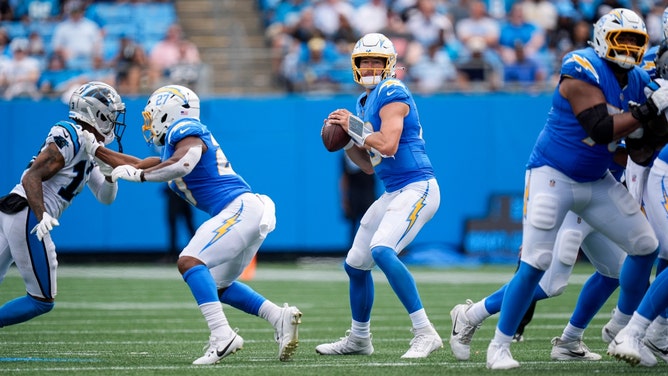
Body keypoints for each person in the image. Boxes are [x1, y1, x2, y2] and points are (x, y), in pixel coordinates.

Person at [478, 8, 666, 369]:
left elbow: (641, 151)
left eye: (635, 41)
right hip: (553, 175)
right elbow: (599, 129)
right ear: (602, 39)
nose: (627, 47)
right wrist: (646, 112)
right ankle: (498, 347)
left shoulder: (641, 79)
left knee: (645, 246)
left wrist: (656, 122)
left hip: (596, 179)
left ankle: (625, 330)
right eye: (620, 39)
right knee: (536, 263)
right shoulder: (580, 66)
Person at [85, 84, 302, 365]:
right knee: (218, 284)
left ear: (168, 111)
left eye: (153, 115)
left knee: (189, 261)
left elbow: (182, 165)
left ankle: (222, 335)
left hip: (239, 207)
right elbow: (140, 162)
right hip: (246, 210)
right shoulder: (174, 144)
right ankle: (278, 317)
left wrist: (139, 177)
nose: (149, 123)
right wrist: (95, 149)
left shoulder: (184, 127)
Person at [315, 32, 443, 359]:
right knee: (356, 264)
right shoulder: (362, 102)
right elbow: (370, 165)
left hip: (418, 186)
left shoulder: (393, 90)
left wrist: (354, 127)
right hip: (393, 190)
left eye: (376, 61)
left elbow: (388, 144)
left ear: (389, 65)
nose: (370, 66)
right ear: (356, 65)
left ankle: (425, 332)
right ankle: (359, 339)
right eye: (365, 61)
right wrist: (344, 140)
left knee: (382, 250)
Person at [0, 81, 125, 328]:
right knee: (41, 300)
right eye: (111, 113)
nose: (114, 119)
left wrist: (110, 174)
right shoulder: (69, 132)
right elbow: (31, 177)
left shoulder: (89, 145)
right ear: (97, 113)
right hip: (28, 211)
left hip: (14, 211)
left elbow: (105, 196)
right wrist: (41, 214)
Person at [340, 152, 376, 245]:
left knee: (370, 223)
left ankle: (371, 249)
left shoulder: (370, 151)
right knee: (353, 224)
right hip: (353, 194)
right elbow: (344, 177)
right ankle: (352, 252)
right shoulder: (346, 154)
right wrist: (344, 199)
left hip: (368, 192)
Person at [164, 185, 196, 261]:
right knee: (182, 228)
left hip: (180, 199)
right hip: (182, 198)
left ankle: (172, 255)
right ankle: (172, 255)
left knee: (188, 227)